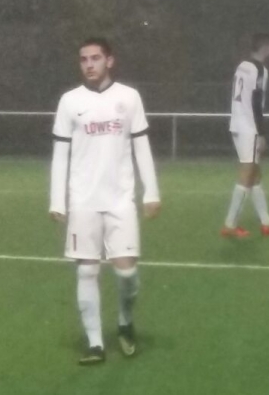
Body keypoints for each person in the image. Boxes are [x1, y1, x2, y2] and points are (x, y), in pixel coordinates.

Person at [50, 37, 160, 365]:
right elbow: (60, 154)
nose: (89, 64)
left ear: (109, 61)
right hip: (83, 201)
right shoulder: (69, 101)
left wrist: (151, 192)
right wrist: (57, 200)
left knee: (126, 274)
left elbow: (141, 146)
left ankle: (125, 321)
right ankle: (95, 343)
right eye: (84, 59)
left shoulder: (129, 97)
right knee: (87, 272)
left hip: (120, 200)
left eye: (95, 58)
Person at [222, 33, 269, 238]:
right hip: (249, 126)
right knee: (247, 175)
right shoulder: (260, 69)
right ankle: (230, 225)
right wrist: (261, 133)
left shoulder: (242, 65)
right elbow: (256, 101)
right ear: (265, 47)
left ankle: (267, 222)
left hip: (237, 124)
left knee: (255, 175)